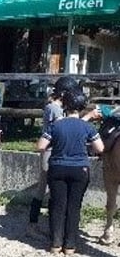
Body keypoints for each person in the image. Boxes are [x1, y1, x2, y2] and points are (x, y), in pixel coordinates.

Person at [36, 88, 103, 255]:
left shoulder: (55, 125)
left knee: (57, 205)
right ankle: (70, 246)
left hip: (58, 167)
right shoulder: (87, 127)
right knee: (74, 207)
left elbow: (41, 146)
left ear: (65, 105)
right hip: (80, 169)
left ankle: (55, 244)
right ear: (82, 107)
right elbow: (100, 148)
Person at [27, 75, 82, 236]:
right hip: (50, 151)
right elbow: (65, 127)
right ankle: (33, 225)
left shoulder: (59, 108)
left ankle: (52, 226)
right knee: (43, 187)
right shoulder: (54, 108)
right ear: (64, 93)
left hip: (56, 150)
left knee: (51, 189)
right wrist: (85, 119)